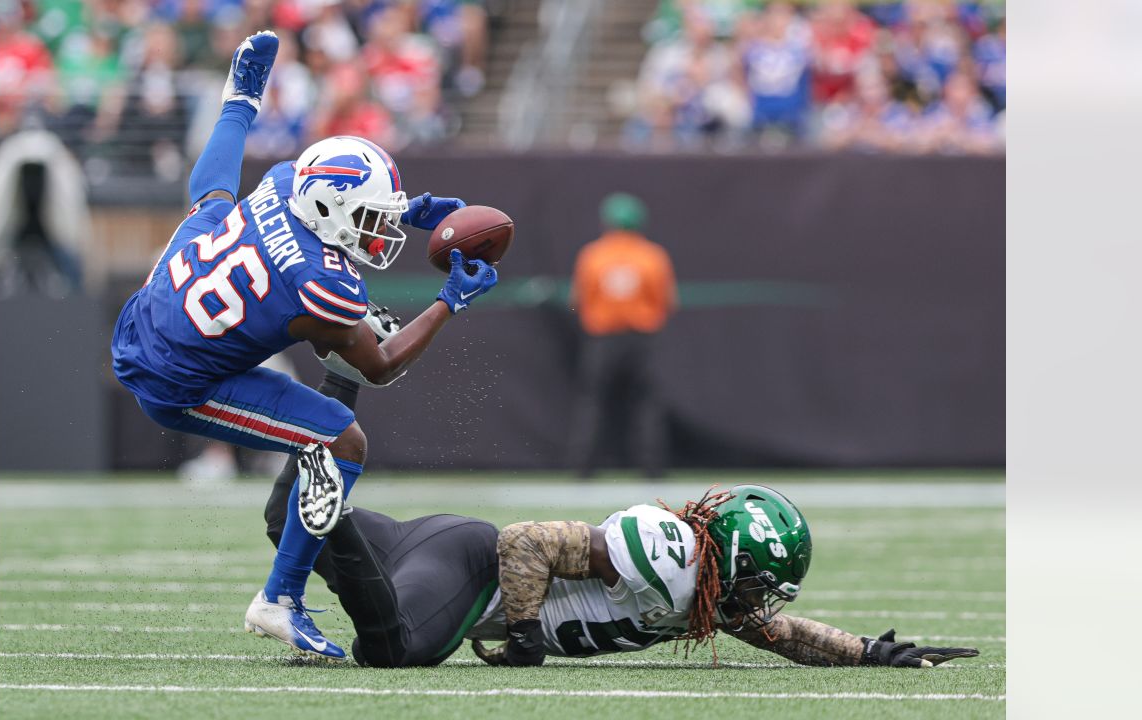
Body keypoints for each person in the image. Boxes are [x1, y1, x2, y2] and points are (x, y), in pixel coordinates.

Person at [109, 30, 499, 660]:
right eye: (371, 219)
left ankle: (241, 95)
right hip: (173, 378)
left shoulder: (287, 180)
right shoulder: (319, 280)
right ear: (328, 207)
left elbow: (268, 198)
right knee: (341, 438)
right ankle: (280, 598)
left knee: (212, 199)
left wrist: (410, 208)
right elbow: (378, 367)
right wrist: (448, 302)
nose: (378, 233)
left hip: (150, 311)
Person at [295, 484, 980, 669]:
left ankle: (310, 504)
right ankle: (328, 509)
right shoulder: (668, 550)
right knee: (397, 651)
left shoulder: (709, 587)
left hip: (445, 561)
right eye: (758, 581)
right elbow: (522, 540)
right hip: (468, 564)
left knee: (293, 523)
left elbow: (784, 635)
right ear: (734, 559)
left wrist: (870, 652)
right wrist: (528, 631)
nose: (758, 600)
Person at [568, 193, 677, 479]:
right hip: (642, 338)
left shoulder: (593, 254)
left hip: (604, 339)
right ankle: (652, 469)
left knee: (593, 402)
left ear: (608, 222)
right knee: (647, 404)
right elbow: (666, 300)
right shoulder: (653, 255)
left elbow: (579, 298)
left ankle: (583, 469)